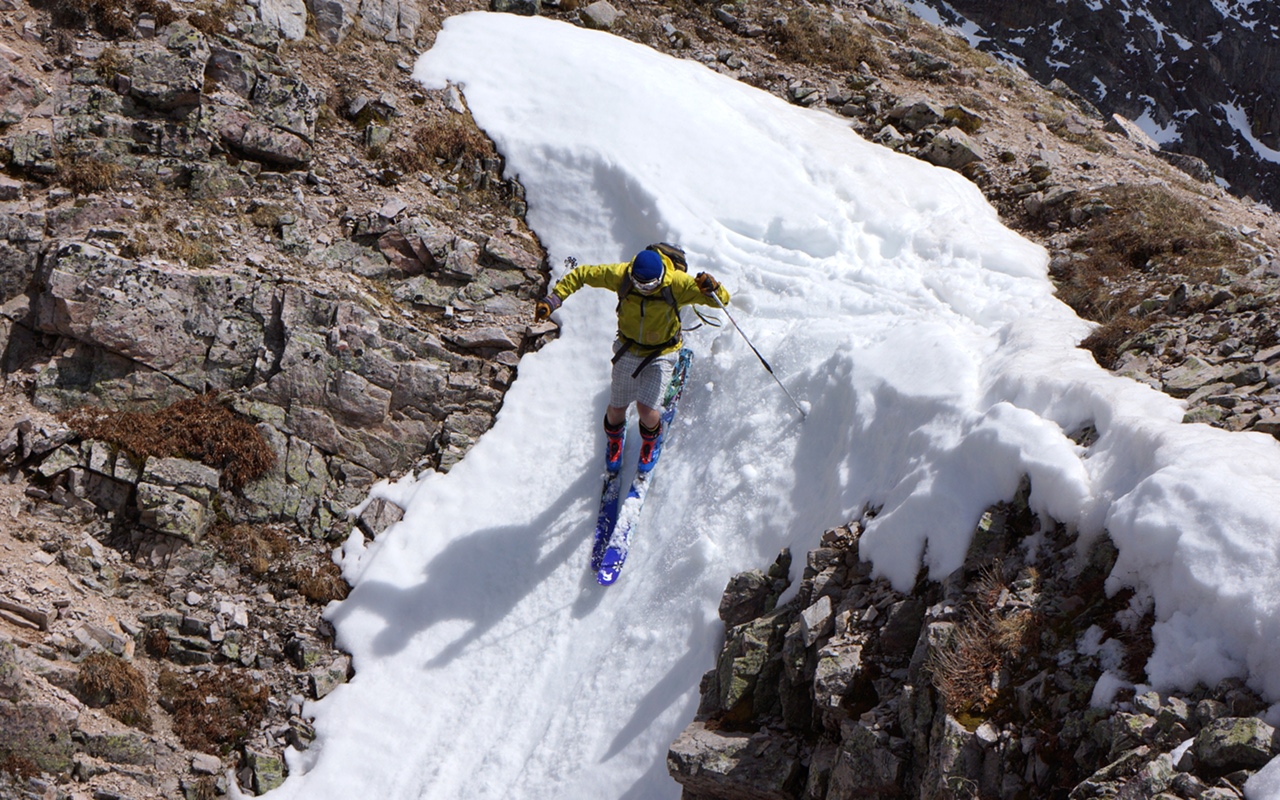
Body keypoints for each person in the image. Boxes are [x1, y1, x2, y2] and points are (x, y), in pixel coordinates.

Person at [534, 247, 730, 474]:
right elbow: (582, 275)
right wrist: (554, 299)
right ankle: (615, 440)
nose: (644, 290)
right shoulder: (622, 275)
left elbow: (721, 301)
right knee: (617, 409)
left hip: (662, 352)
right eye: (639, 285)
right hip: (628, 349)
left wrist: (712, 288)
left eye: (649, 286)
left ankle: (650, 442)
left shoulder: (677, 283)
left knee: (646, 410)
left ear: (660, 278)